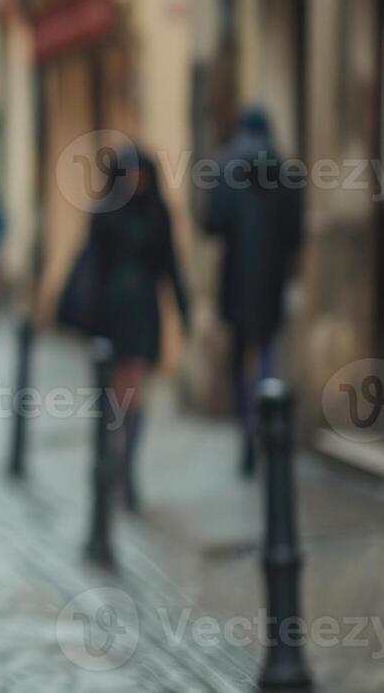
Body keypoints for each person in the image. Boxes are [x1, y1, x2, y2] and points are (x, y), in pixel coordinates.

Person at [87, 144, 190, 510]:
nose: (137, 182)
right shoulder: (105, 213)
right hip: (112, 313)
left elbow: (171, 264)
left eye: (142, 175)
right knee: (119, 388)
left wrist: (183, 307)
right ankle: (115, 459)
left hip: (144, 312)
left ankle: (127, 462)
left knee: (135, 384)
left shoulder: (157, 213)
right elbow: (92, 270)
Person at [202, 106, 304, 475]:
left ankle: (246, 427)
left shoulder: (226, 166)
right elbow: (295, 233)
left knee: (238, 357)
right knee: (266, 353)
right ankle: (267, 421)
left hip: (236, 278)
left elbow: (210, 223)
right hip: (272, 279)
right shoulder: (286, 169)